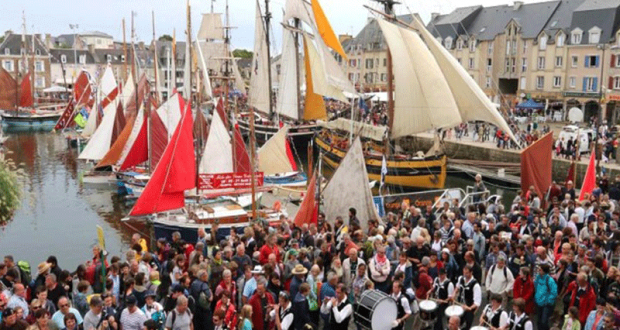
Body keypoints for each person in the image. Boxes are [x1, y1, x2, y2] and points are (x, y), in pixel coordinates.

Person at [534, 264, 557, 330]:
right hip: (538, 302)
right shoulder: (538, 278)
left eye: (540, 269)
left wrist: (548, 301)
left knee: (544, 321)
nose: (538, 271)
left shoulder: (550, 280)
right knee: (538, 321)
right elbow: (535, 287)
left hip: (546, 304)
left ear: (544, 271)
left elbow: (554, 292)